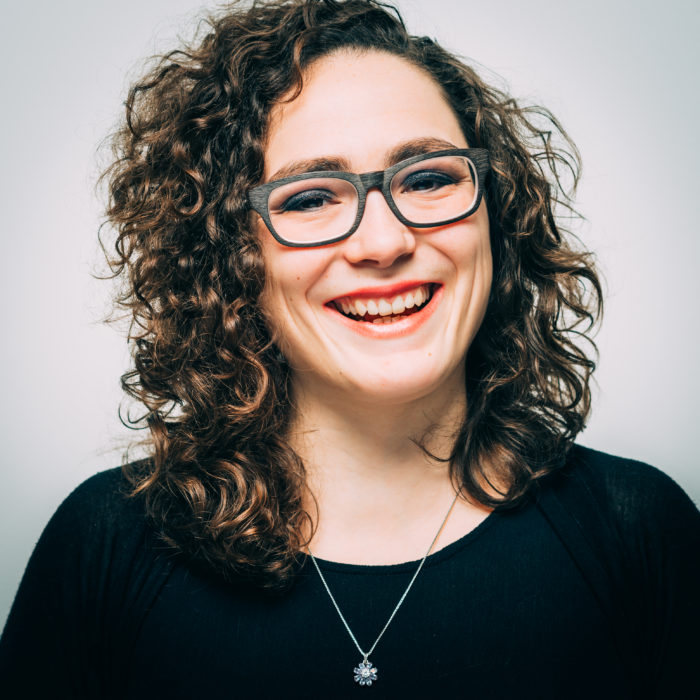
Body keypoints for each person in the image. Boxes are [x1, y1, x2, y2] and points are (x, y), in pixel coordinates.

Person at [1, 0, 698, 697]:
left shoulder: (639, 532)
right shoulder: (106, 548)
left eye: (427, 179)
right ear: (228, 255)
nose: (385, 243)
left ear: (496, 212)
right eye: (310, 199)